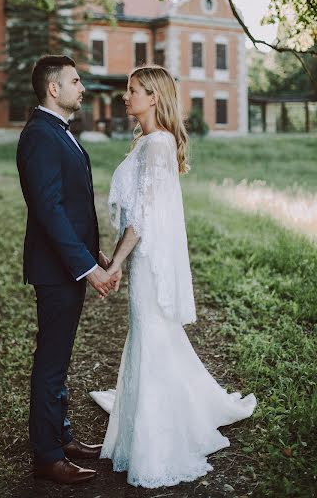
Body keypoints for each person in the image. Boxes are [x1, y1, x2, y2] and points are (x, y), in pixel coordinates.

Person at [90, 65, 257, 488]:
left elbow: (142, 217)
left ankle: (158, 440)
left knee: (150, 333)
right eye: (128, 90)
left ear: (153, 97)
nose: (126, 97)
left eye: (133, 91)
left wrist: (117, 262)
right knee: (150, 333)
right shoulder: (148, 141)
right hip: (143, 256)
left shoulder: (158, 144)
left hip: (147, 258)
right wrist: (116, 257)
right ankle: (158, 413)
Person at [16, 55, 121, 485]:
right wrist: (85, 268)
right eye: (75, 81)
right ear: (53, 89)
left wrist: (92, 255)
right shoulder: (40, 136)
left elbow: (72, 207)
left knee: (59, 359)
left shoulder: (60, 132)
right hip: (56, 270)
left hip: (70, 263)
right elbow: (49, 210)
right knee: (51, 362)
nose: (83, 87)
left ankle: (63, 437)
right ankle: (47, 455)